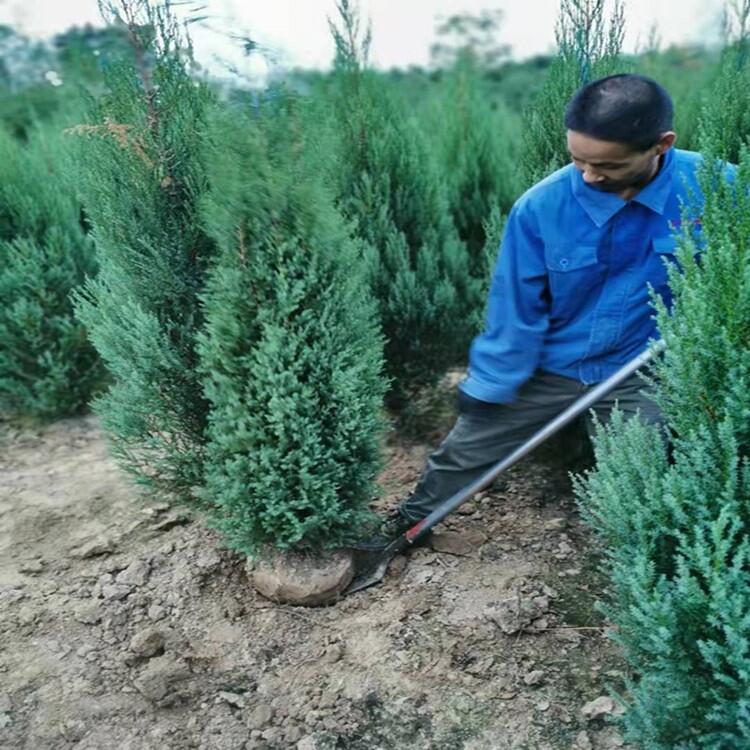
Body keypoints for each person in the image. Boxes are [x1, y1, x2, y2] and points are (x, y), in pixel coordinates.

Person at [357, 72, 717, 552]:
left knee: (637, 481)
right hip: (552, 362)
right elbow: (515, 310)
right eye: (578, 160)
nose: (589, 176)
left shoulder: (718, 186)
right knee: (466, 450)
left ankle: (640, 575)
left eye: (608, 165)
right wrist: (490, 388)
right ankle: (407, 526)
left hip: (644, 368)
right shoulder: (540, 208)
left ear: (661, 145)